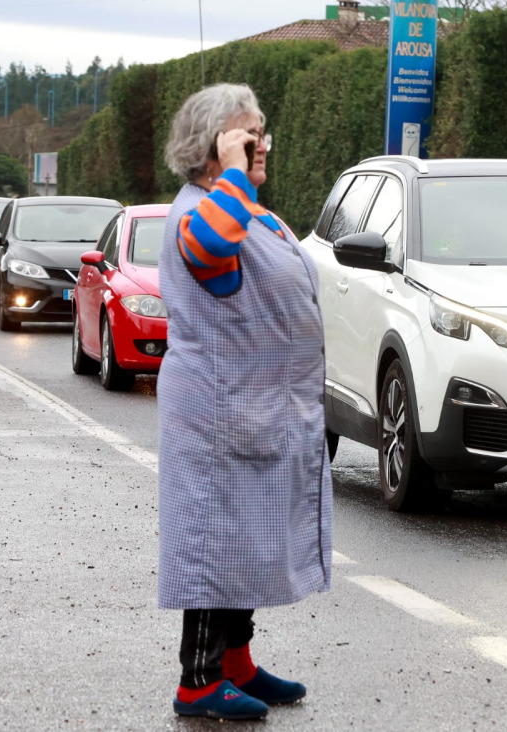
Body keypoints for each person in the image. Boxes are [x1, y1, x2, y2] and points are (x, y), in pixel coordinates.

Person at [157, 83, 332, 721]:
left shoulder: (246, 207)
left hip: (254, 406)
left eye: (262, 134)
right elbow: (209, 248)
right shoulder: (200, 210)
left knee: (245, 539)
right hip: (218, 410)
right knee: (213, 541)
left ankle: (236, 664)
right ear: (213, 148)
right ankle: (198, 681)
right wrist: (235, 172)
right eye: (248, 135)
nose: (264, 146)